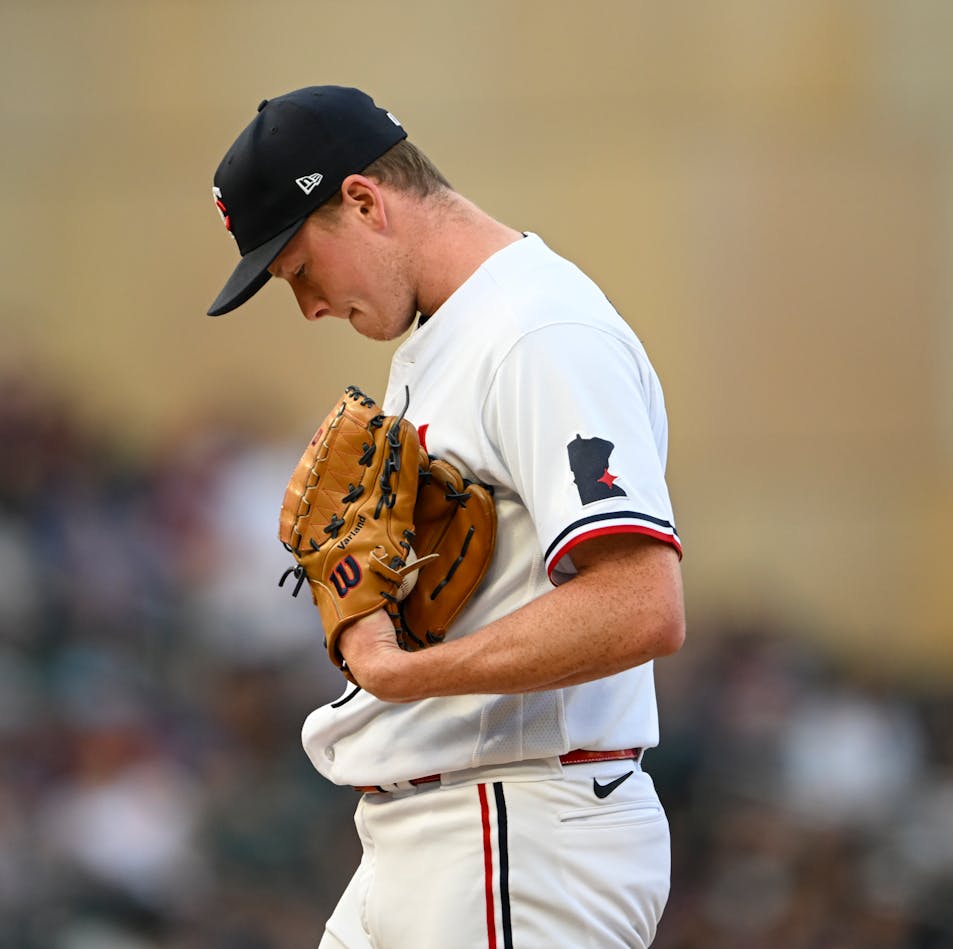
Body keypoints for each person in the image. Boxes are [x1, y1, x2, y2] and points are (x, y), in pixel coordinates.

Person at [205, 85, 686, 949]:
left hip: (519, 829)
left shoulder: (540, 331)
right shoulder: (446, 336)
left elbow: (642, 604)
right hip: (434, 829)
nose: (308, 306)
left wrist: (401, 674)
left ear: (362, 200)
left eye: (300, 269)